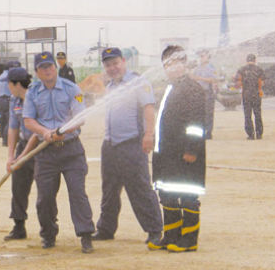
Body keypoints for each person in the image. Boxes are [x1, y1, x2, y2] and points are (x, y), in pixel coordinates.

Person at [23, 51, 95, 254]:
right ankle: (48, 234)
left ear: (55, 67)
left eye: (50, 66)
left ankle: (86, 235)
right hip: (45, 154)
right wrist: (45, 132)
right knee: (44, 197)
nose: (47, 70)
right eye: (42, 68)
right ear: (37, 72)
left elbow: (80, 117)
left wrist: (64, 131)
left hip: (71, 151)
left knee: (77, 193)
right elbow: (28, 121)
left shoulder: (72, 89)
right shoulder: (33, 92)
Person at [93, 47, 163, 249]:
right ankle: (106, 229)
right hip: (110, 145)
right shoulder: (110, 87)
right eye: (108, 64)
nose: (112, 68)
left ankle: (155, 230)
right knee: (109, 190)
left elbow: (148, 108)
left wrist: (149, 135)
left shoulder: (138, 82)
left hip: (131, 143)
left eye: (115, 63)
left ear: (123, 61)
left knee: (139, 188)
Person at [152, 45, 206, 252]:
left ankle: (189, 239)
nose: (170, 68)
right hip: (167, 152)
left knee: (188, 195)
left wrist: (191, 149)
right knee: (168, 193)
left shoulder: (193, 89)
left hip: (185, 153)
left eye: (174, 63)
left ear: (183, 63)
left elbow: (196, 124)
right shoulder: (171, 87)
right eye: (167, 64)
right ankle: (171, 235)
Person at [4, 67, 38, 241]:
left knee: (45, 191)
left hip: (41, 146)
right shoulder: (14, 100)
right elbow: (13, 127)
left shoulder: (36, 97)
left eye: (9, 83)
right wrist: (11, 156)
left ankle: (48, 231)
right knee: (18, 186)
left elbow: (37, 132)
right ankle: (19, 227)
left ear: (17, 84)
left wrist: (23, 155)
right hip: (24, 144)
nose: (8, 87)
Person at [235, 54, 265, 140]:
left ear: (246, 60)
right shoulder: (259, 69)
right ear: (255, 60)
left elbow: (238, 83)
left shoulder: (241, 70)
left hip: (246, 95)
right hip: (256, 94)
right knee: (258, 114)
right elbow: (261, 82)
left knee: (247, 115)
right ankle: (259, 133)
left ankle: (250, 134)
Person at [190, 49, 217, 139]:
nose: (201, 58)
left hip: (208, 91)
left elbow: (212, 79)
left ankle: (208, 132)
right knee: (199, 112)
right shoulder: (198, 68)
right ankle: (201, 131)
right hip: (199, 92)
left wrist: (199, 78)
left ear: (207, 57)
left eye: (202, 56)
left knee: (209, 113)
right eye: (200, 56)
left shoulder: (211, 67)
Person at [0, 62, 12, 146]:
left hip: (0, 100)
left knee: (2, 120)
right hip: (8, 99)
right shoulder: (9, 76)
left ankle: (3, 139)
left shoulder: (1, 76)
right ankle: (7, 139)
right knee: (9, 120)